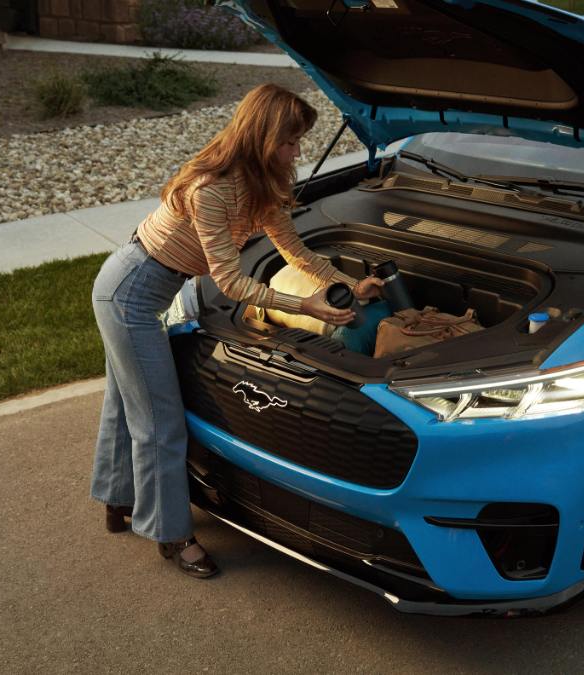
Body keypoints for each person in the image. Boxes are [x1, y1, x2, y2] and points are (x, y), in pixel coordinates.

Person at [89, 83, 384, 579]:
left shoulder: (264, 182)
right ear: (263, 135)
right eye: (290, 142)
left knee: (126, 401)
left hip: (149, 289)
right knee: (159, 419)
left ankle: (118, 501)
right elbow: (226, 279)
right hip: (128, 293)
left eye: (298, 142)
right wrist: (304, 303)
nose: (296, 151)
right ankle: (173, 534)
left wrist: (350, 284)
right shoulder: (212, 188)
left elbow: (296, 253)